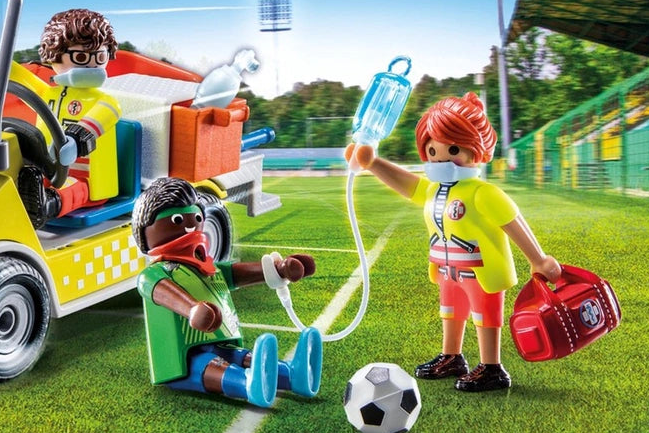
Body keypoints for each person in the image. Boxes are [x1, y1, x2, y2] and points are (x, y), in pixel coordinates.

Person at [345, 92, 562, 392]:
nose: (440, 157)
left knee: (485, 316)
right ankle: (452, 356)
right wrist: (372, 163)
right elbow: (407, 183)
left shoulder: (482, 193)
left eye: (453, 149)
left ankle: (492, 367)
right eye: (432, 150)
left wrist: (538, 259)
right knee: (451, 311)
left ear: (476, 149)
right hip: (447, 268)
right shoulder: (433, 190)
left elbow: (513, 222)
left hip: (480, 269)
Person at [132, 177, 322, 407]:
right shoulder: (154, 274)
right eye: (178, 220)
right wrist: (192, 309)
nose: (191, 226)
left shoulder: (207, 267)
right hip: (183, 358)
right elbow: (165, 293)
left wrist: (279, 269)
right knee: (211, 365)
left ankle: (294, 375)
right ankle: (247, 384)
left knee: (244, 357)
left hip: (221, 342)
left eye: (197, 218)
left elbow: (238, 273)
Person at [18, 8, 121, 225]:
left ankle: (48, 204)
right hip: (48, 166)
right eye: (81, 57)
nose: (92, 65)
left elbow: (99, 119)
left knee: (73, 187)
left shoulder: (106, 101)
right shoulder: (49, 94)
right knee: (24, 174)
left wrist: (76, 139)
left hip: (88, 178)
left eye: (100, 57)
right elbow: (22, 82)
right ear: (53, 56)